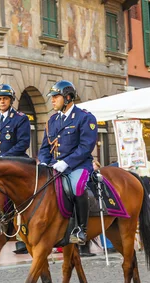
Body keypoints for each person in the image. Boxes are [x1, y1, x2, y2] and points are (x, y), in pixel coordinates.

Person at [38, 80, 98, 245]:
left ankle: (81, 229)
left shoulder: (85, 117)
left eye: (56, 97)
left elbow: (86, 147)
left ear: (68, 97)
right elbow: (44, 147)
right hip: (54, 165)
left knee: (77, 188)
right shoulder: (52, 121)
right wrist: (43, 162)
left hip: (78, 165)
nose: (52, 100)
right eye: (53, 97)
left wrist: (66, 162)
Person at [0, 84, 31, 161]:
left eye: (5, 98)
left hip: (15, 161)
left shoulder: (20, 118)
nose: (2, 101)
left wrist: (4, 157)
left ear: (11, 100)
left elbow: (23, 143)